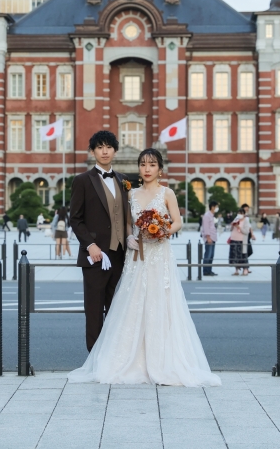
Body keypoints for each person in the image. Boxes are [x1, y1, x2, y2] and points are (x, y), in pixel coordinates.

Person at [68, 146, 220, 387]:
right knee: (132, 304)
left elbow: (178, 222)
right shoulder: (131, 194)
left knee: (161, 305)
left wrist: (162, 231)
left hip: (159, 255)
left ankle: (162, 361)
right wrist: (129, 237)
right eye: (143, 164)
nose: (147, 169)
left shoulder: (167, 192)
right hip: (137, 256)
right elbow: (128, 223)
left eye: (152, 165)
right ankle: (130, 360)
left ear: (160, 169)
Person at [68, 131, 132, 352]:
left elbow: (126, 217)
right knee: (94, 311)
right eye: (100, 147)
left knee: (118, 310)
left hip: (121, 255)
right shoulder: (82, 181)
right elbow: (75, 219)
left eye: (109, 147)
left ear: (115, 150)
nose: (105, 151)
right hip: (95, 257)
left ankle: (115, 357)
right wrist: (90, 245)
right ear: (92, 151)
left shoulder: (124, 180)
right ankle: (95, 359)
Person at [229, 209, 251, 276]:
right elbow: (231, 229)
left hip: (241, 241)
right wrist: (232, 225)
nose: (239, 215)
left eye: (241, 213)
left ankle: (245, 269)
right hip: (233, 239)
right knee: (235, 256)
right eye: (238, 213)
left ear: (244, 214)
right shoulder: (236, 219)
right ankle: (236, 269)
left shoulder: (246, 220)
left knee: (243, 256)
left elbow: (246, 231)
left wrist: (239, 227)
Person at [200, 200, 219, 276]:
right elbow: (206, 227)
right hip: (209, 238)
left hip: (213, 237)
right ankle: (205, 271)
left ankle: (209, 270)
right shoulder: (207, 215)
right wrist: (208, 237)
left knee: (211, 255)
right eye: (216, 207)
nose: (217, 208)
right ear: (212, 207)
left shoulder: (212, 215)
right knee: (208, 254)